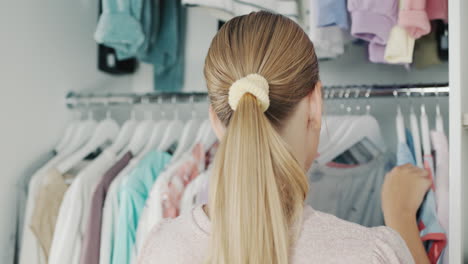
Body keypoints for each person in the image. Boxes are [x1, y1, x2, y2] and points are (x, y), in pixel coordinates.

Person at [138, 11, 431, 264]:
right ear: (315, 104)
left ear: (216, 118)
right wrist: (402, 217)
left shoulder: (161, 248)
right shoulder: (371, 254)